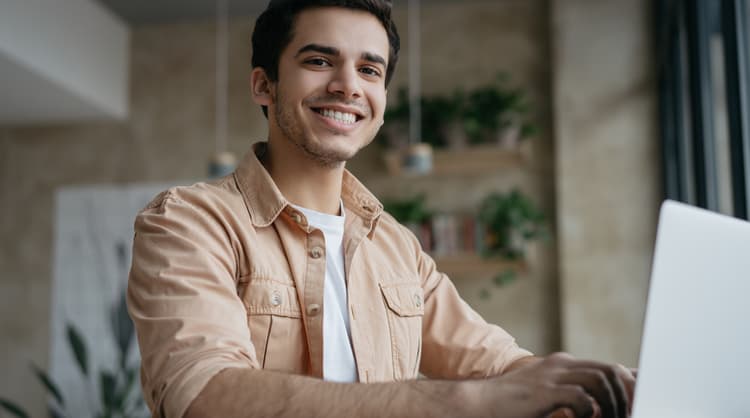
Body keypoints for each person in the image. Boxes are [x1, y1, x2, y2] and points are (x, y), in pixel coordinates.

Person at [127, 1, 636, 417]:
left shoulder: (395, 245)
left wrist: (594, 391)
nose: (348, 85)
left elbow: (500, 365)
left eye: (369, 69)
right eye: (319, 61)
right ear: (264, 84)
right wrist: (466, 402)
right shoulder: (188, 222)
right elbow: (205, 396)